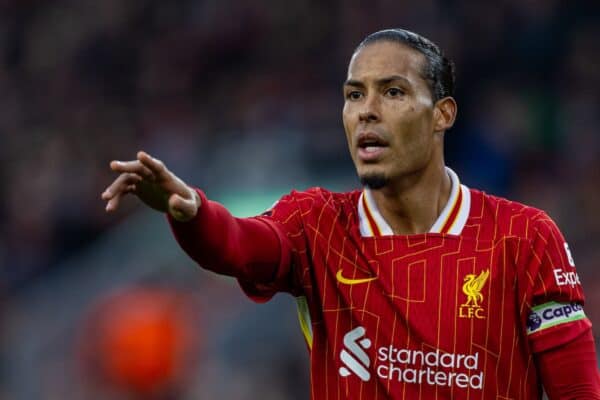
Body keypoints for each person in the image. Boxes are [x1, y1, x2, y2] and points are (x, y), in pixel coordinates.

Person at [102, 29, 600, 399]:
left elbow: (576, 390)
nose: (367, 110)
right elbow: (238, 246)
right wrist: (190, 212)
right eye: (354, 95)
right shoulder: (317, 224)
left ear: (442, 115)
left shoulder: (523, 237)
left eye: (393, 92)